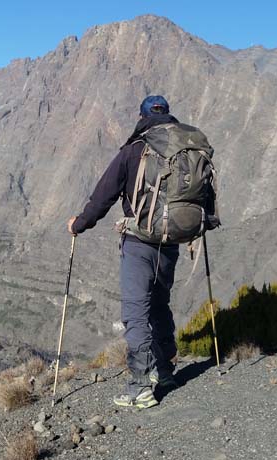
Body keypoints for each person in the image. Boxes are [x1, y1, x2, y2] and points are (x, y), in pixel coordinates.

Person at [67, 95, 182, 409]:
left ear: (141, 117)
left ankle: (142, 386)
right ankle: (165, 371)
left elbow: (103, 196)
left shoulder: (134, 151)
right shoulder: (183, 151)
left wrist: (79, 224)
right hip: (171, 243)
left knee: (135, 315)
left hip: (139, 243)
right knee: (160, 306)